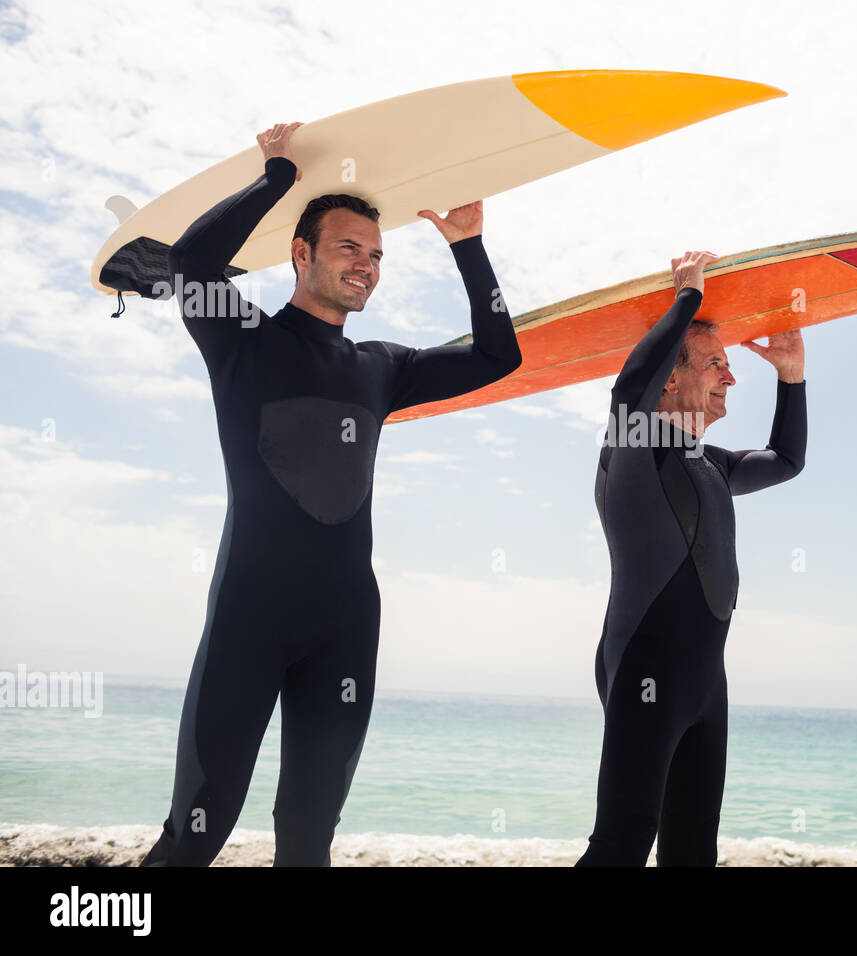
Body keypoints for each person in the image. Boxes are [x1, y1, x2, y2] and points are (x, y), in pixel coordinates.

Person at [141, 123, 522, 866]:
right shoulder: (241, 339)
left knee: (310, 836)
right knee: (199, 827)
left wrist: (468, 247)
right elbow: (190, 261)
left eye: (376, 255)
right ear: (302, 253)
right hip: (249, 621)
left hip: (346, 626)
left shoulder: (383, 367)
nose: (367, 266)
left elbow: (499, 355)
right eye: (349, 247)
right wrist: (278, 175)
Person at [576, 250, 806, 866]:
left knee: (692, 848)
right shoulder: (633, 452)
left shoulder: (714, 464)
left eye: (729, 367)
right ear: (671, 380)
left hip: (706, 681)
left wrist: (792, 375)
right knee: (622, 842)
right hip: (644, 669)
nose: (730, 379)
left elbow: (787, 460)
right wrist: (687, 300)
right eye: (715, 364)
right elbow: (630, 389)